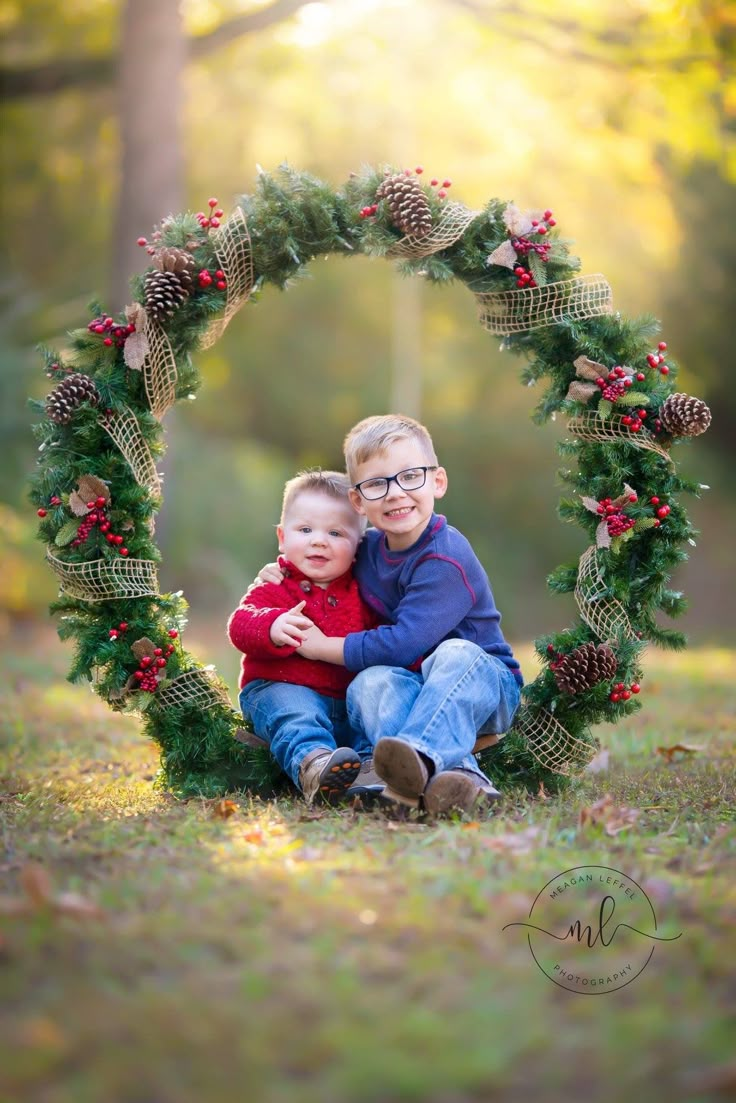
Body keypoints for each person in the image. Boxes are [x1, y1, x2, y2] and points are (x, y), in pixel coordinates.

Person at [258, 415, 523, 816]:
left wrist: (321, 647)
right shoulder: (365, 550)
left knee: (454, 653)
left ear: (438, 482)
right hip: (412, 690)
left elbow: (402, 644)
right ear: (358, 501)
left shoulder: (445, 557)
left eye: (410, 476)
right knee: (370, 683)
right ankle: (460, 784)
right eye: (378, 483)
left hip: (482, 687)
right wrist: (282, 571)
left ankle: (417, 758)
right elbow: (323, 556)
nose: (396, 493)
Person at [227, 470, 382, 805]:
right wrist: (270, 626)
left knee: (370, 714)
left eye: (336, 532)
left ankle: (370, 773)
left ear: (358, 546)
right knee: (295, 713)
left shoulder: (366, 593)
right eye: (306, 529)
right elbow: (240, 624)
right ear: (282, 537)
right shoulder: (277, 584)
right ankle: (315, 767)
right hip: (278, 689)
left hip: (346, 702)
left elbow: (386, 641)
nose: (319, 540)